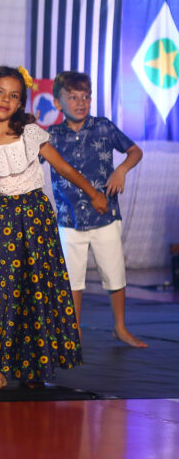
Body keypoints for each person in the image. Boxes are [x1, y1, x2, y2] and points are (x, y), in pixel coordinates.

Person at [0, 65, 107, 389]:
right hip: (1, 218)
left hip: (36, 216)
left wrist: (93, 192)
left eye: (14, 95)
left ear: (20, 103)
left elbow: (64, 168)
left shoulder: (30, 134)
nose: (6, 99)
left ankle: (33, 367)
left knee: (34, 290)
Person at [48, 71, 147, 348]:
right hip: (69, 218)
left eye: (86, 97)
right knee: (72, 279)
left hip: (105, 216)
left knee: (114, 273)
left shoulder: (103, 127)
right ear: (57, 103)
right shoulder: (51, 135)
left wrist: (121, 170)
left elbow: (135, 151)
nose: (81, 102)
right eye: (73, 97)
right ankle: (74, 331)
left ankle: (120, 327)